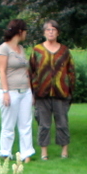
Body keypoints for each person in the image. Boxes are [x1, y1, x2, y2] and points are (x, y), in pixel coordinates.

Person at [28, 20, 75, 160]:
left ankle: (64, 151)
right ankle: (44, 153)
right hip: (42, 93)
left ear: (58, 32)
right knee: (44, 124)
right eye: (48, 30)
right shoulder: (37, 50)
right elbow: (31, 72)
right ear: (44, 33)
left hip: (61, 93)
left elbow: (71, 71)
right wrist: (32, 92)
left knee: (62, 123)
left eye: (53, 29)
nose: (51, 32)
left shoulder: (64, 51)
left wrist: (70, 90)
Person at [0, 19, 35, 161]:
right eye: (25, 31)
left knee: (26, 124)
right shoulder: (3, 49)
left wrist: (31, 91)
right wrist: (5, 92)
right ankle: (5, 153)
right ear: (19, 31)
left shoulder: (21, 49)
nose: (26, 34)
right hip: (10, 91)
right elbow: (2, 71)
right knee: (8, 125)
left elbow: (26, 71)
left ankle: (27, 154)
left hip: (25, 91)